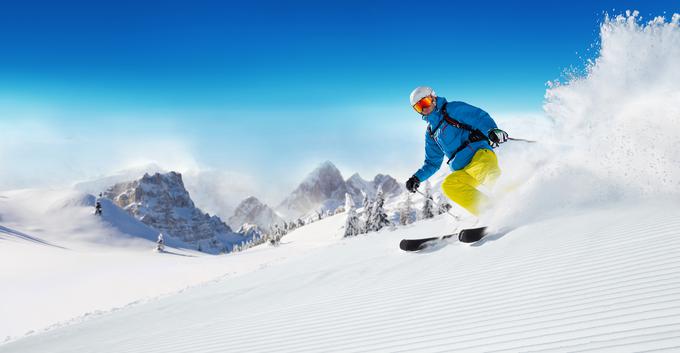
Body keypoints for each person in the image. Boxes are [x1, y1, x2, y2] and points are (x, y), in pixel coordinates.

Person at [405, 86, 508, 217]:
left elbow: (479, 117)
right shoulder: (431, 133)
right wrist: (417, 178)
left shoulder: (452, 109)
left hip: (479, 155)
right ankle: (488, 212)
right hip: (463, 169)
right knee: (449, 185)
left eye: (424, 103)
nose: (424, 109)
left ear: (433, 98)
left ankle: (509, 202)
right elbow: (432, 162)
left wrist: (491, 130)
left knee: (485, 172)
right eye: (419, 107)